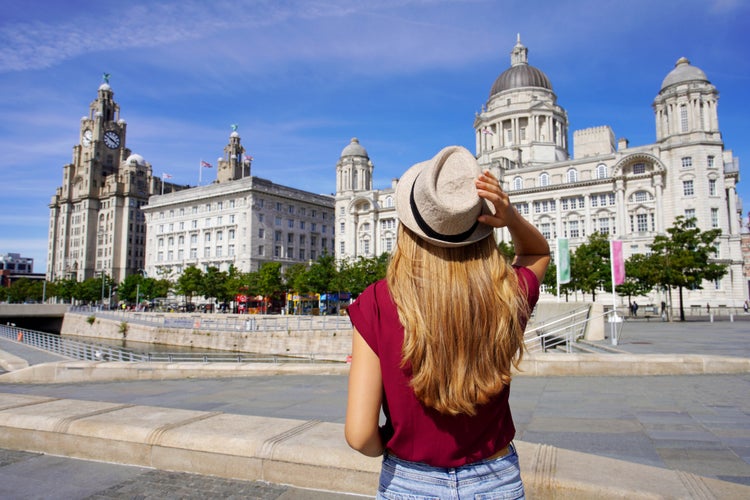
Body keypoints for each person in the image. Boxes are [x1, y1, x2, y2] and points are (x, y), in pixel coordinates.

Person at [345, 146, 550, 498]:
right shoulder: (508, 293)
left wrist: (391, 448)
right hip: (496, 479)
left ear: (408, 228)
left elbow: (360, 434)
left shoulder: (378, 301)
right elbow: (536, 253)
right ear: (482, 224)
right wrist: (511, 218)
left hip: (409, 481)